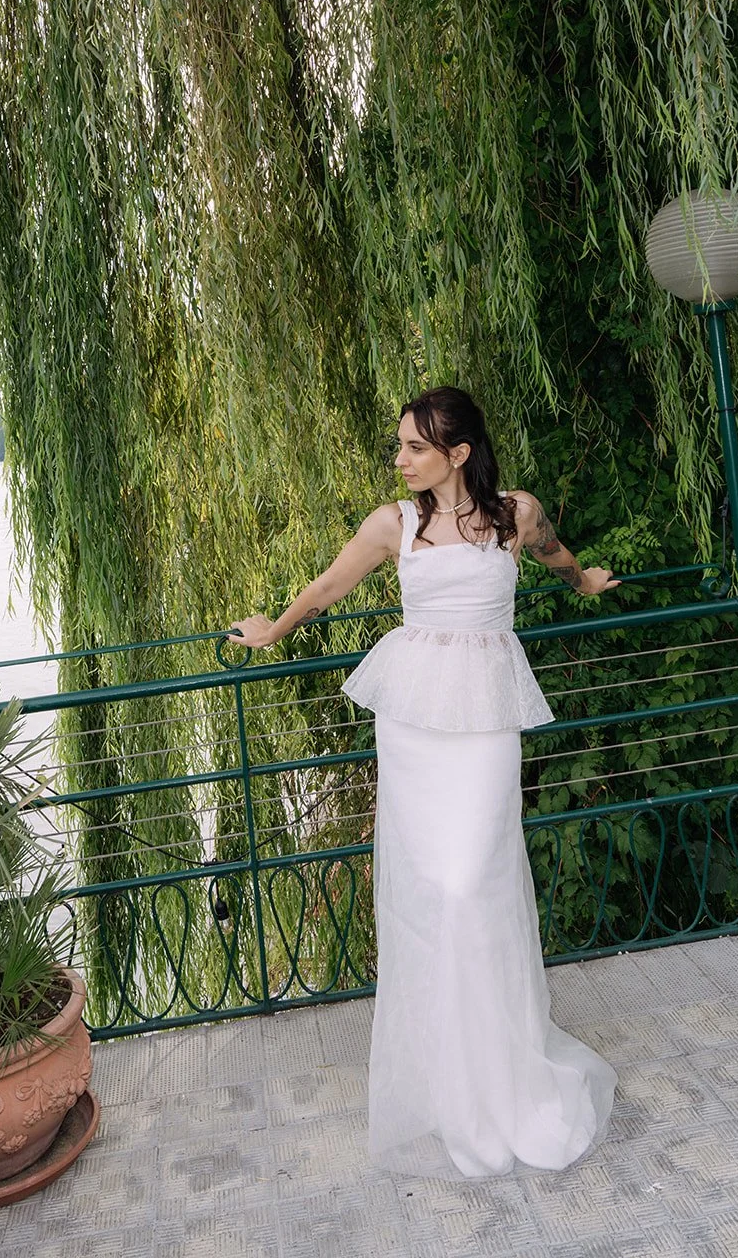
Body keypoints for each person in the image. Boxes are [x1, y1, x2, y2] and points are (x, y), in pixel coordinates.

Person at [229, 386, 620, 1179]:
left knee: (472, 879)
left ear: (458, 453)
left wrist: (581, 581)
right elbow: (329, 586)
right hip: (413, 715)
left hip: (486, 712)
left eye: (414, 447)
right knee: (429, 887)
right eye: (400, 445)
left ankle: (499, 1057)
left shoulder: (514, 514)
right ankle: (445, 1066)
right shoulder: (393, 524)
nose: (399, 459)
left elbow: (554, 552)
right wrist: (272, 630)